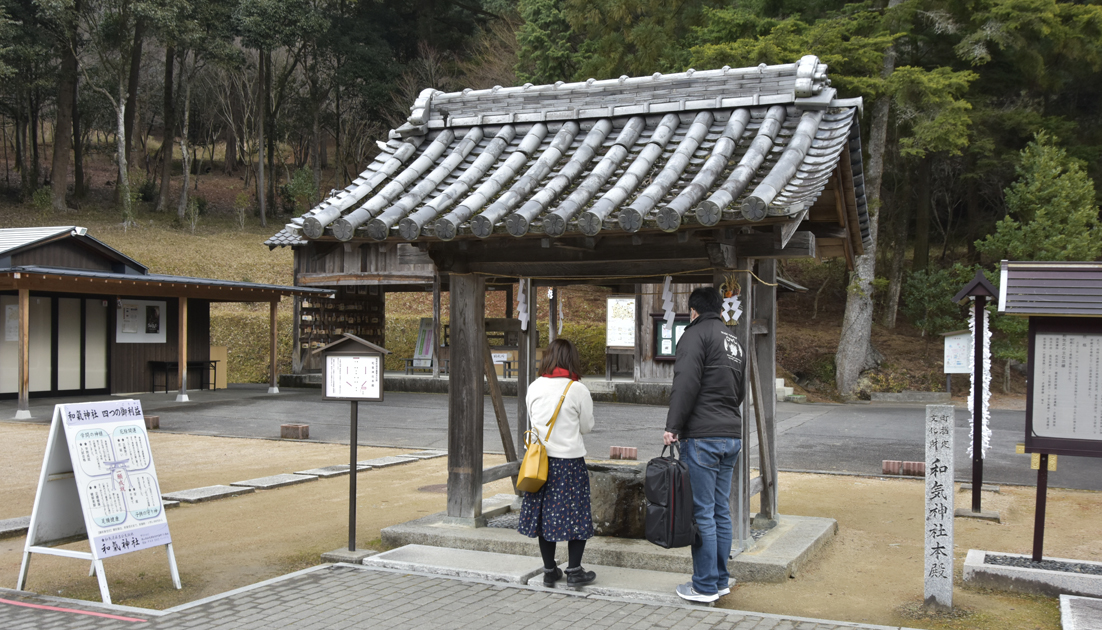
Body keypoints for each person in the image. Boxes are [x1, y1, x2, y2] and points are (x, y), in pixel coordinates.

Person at [661, 286, 745, 603]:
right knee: (721, 511)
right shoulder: (733, 339)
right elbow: (739, 390)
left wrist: (673, 427)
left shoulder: (695, 335)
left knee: (703, 513)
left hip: (703, 436)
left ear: (693, 312)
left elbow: (685, 382)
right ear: (719, 309)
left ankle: (705, 585)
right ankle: (720, 579)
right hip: (731, 434)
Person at [517, 338, 597, 587]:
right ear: (572, 359)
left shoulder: (534, 386)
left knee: (544, 516)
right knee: (577, 515)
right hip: (569, 463)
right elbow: (587, 427)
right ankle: (574, 571)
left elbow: (532, 420)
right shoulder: (578, 390)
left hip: (539, 461)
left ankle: (550, 570)